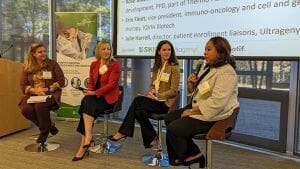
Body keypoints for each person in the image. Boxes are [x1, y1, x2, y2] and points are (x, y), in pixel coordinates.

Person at [164, 36, 239, 167]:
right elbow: (198, 92)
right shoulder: (209, 67)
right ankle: (194, 154)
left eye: (209, 49)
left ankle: (187, 156)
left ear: (221, 52)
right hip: (201, 107)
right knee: (169, 117)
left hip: (216, 116)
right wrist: (192, 84)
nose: (205, 52)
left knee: (174, 128)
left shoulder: (227, 73)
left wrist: (192, 111)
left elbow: (217, 103)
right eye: (205, 49)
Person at [107, 40, 180, 149]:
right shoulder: (157, 66)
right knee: (139, 112)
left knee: (137, 100)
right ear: (159, 52)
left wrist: (158, 95)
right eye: (164, 50)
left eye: (169, 50)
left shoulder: (174, 67)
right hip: (155, 100)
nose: (167, 52)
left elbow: (174, 90)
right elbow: (152, 84)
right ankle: (152, 138)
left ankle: (123, 132)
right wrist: (151, 93)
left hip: (165, 104)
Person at [72, 41, 121, 161]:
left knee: (85, 105)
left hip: (108, 98)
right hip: (94, 96)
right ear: (98, 51)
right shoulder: (94, 64)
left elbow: (111, 85)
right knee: (86, 101)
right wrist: (88, 90)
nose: (106, 51)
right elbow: (92, 83)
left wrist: (94, 93)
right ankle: (87, 139)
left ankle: (85, 144)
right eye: (103, 49)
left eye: (108, 49)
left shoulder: (115, 64)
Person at [19, 43, 65, 144]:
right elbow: (23, 85)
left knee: (40, 106)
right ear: (33, 54)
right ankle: (49, 126)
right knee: (25, 109)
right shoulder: (27, 66)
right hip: (32, 94)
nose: (43, 53)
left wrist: (49, 88)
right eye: (40, 52)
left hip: (50, 93)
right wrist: (35, 90)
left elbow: (62, 81)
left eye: (44, 51)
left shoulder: (52, 64)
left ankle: (44, 133)